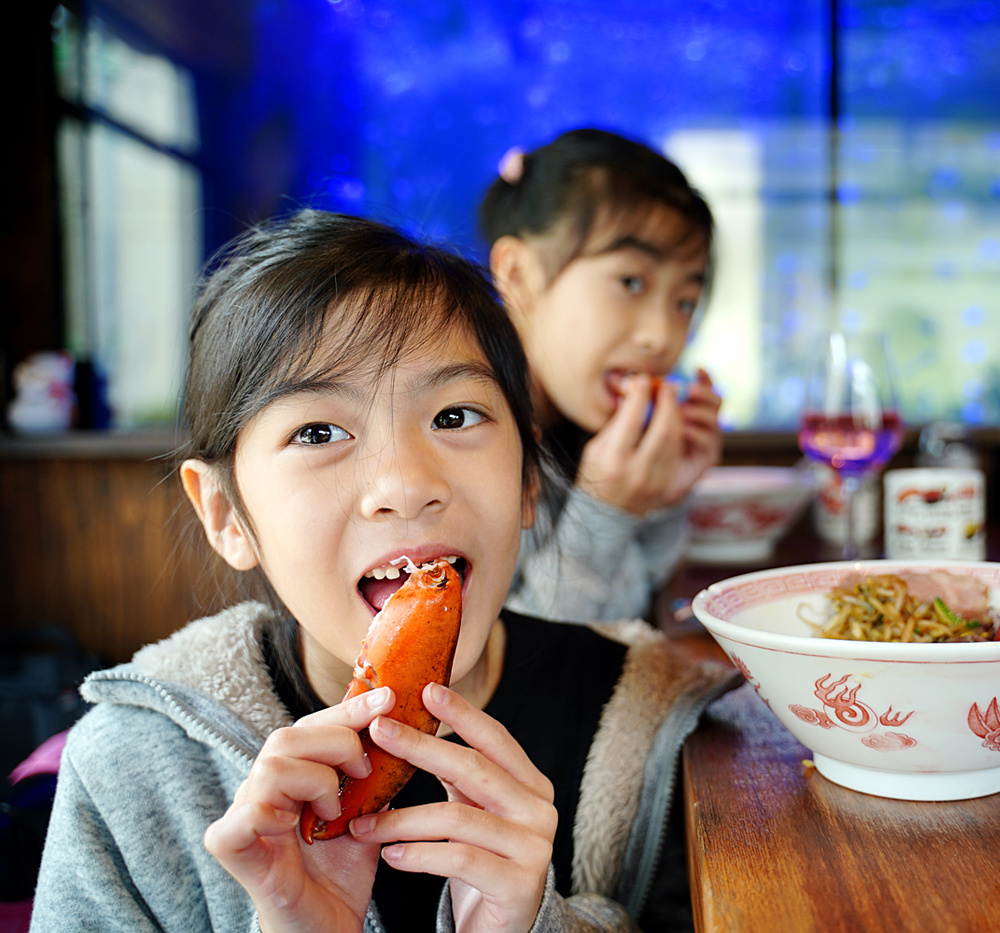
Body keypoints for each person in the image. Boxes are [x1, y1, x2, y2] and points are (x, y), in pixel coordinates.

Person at [28, 209, 739, 933]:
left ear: (529, 479)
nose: (404, 482)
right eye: (318, 431)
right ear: (225, 514)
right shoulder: (130, 771)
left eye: (456, 416)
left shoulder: (670, 731)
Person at [479, 128, 723, 624]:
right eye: (631, 282)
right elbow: (502, 668)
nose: (662, 337)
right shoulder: (462, 440)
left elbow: (624, 616)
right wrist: (604, 510)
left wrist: (656, 502)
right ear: (518, 273)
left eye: (684, 302)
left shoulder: (580, 429)